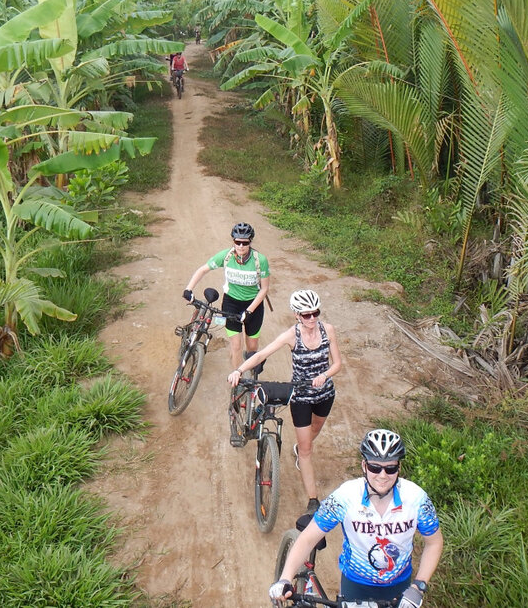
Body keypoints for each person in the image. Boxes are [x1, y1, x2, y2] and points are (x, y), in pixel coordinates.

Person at [270, 429, 443, 607]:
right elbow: (307, 539)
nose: (382, 475)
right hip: (356, 585)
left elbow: (434, 543)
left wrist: (418, 586)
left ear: (399, 468)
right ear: (364, 466)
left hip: (399, 585)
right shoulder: (346, 497)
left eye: (390, 468)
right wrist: (285, 578)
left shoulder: (417, 499)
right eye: (375, 467)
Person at [229, 289, 342, 513]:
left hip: (325, 394)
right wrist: (239, 370)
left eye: (315, 313)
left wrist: (324, 376)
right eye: (306, 314)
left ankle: (300, 449)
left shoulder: (328, 330)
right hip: (300, 396)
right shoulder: (291, 335)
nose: (312, 318)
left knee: (316, 429)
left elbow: (337, 363)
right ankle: (312, 500)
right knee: (306, 449)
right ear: (296, 315)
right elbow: (262, 354)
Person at [183, 222, 270, 386]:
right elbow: (203, 269)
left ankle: (250, 367)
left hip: (254, 306)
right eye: (238, 242)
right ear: (233, 241)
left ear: (250, 242)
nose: (241, 246)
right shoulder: (226, 256)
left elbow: (264, 290)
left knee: (251, 348)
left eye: (245, 243)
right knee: (236, 346)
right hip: (231, 303)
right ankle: (239, 380)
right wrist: (188, 289)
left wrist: (250, 311)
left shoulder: (260, 260)